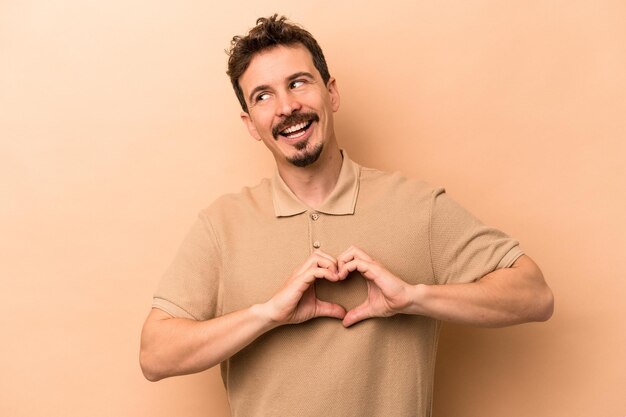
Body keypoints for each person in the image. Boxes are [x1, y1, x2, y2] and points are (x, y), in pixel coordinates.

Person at [140, 14, 554, 417]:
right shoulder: (221, 224)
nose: (286, 106)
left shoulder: (417, 206)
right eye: (263, 96)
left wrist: (415, 297)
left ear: (331, 92)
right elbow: (155, 355)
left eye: (298, 83)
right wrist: (267, 313)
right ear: (251, 123)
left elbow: (534, 295)